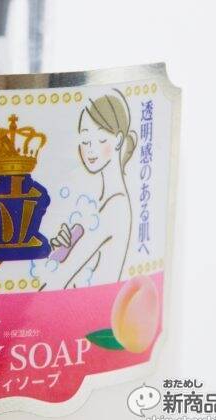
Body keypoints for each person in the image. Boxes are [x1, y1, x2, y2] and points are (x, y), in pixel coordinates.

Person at [48, 89, 138, 289]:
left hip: (95, 308)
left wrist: (59, 260)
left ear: (119, 140)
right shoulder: (100, 204)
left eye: (100, 140)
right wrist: (61, 250)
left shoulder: (114, 206)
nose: (90, 149)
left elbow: (59, 279)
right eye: (85, 141)